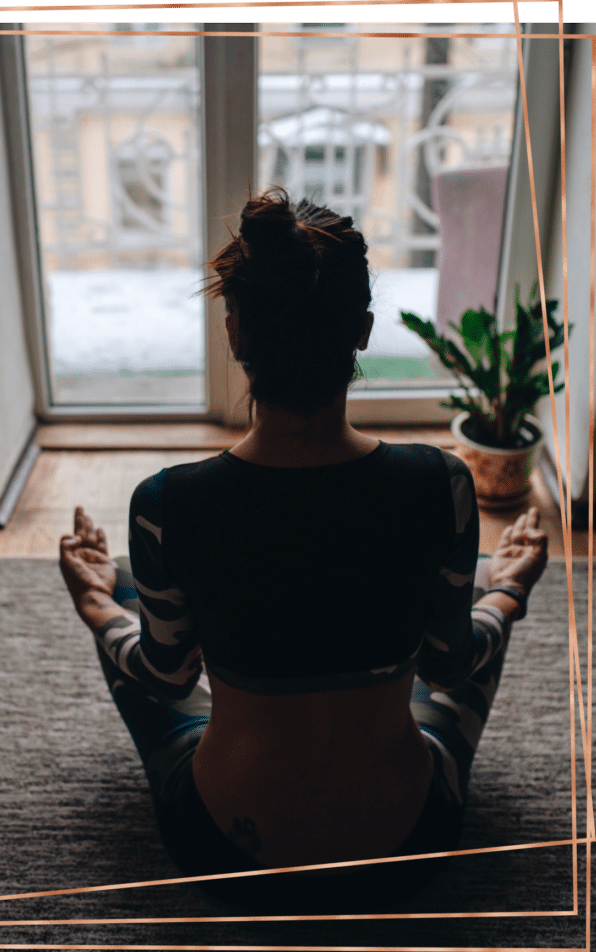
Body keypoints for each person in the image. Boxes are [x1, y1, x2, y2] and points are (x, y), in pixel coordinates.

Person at [59, 188, 548, 908]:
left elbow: (166, 678)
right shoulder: (439, 481)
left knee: (132, 597)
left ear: (234, 332)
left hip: (225, 848)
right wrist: (509, 589)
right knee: (471, 626)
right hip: (411, 842)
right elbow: (447, 667)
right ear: (364, 330)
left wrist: (95, 604)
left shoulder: (168, 502)